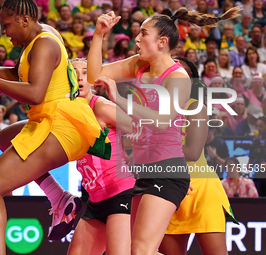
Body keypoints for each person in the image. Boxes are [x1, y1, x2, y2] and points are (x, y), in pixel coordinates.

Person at [0, 0, 110, 253]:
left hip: (61, 125)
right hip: (55, 118)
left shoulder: (45, 44)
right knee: (4, 137)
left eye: (6, 26)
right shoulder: (39, 38)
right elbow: (19, 75)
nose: (4, 32)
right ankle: (59, 197)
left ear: (24, 20)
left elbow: (35, 93)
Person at [87, 6, 241, 254]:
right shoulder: (138, 65)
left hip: (168, 172)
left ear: (161, 42)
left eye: (143, 33)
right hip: (143, 171)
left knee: (140, 250)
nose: (137, 38)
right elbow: (95, 75)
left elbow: (161, 121)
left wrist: (120, 100)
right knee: (136, 250)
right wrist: (99, 35)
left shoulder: (177, 77)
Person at [159, 57, 237, 255]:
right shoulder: (152, 110)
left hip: (201, 190)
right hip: (166, 191)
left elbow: (193, 152)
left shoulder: (196, 107)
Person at [67, 58, 135, 255]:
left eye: (85, 73)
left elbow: (144, 130)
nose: (79, 77)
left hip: (122, 193)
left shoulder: (101, 107)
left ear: (93, 81)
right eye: (73, 72)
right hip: (95, 201)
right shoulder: (65, 114)